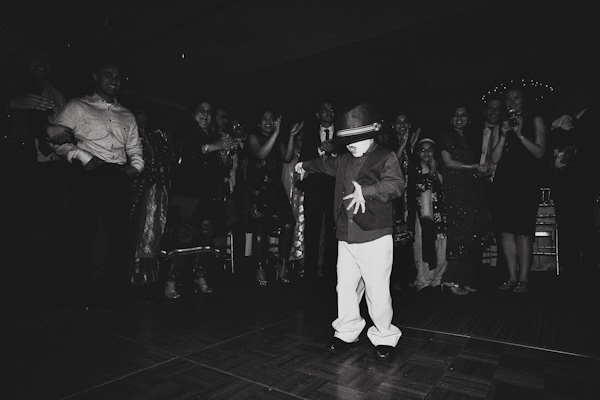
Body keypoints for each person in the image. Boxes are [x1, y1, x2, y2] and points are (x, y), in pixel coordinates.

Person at [295, 102, 404, 361]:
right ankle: (346, 331)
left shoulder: (386, 155)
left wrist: (366, 191)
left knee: (377, 290)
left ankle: (385, 335)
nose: (352, 145)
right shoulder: (343, 159)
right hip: (346, 235)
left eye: (357, 139)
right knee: (344, 286)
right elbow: (323, 165)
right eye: (348, 140)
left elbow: (397, 185)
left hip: (375, 235)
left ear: (371, 135)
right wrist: (304, 166)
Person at [47, 60, 144, 306]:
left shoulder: (127, 114)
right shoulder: (77, 105)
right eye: (108, 75)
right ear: (95, 77)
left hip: (118, 176)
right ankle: (79, 293)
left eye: (118, 77)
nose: (114, 81)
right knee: (82, 234)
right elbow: (54, 139)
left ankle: (119, 289)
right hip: (89, 174)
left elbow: (135, 149)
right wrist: (82, 156)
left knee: (120, 235)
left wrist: (133, 169)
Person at [161, 100, 233, 298]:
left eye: (209, 112)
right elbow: (184, 152)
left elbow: (223, 167)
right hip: (187, 195)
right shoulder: (184, 131)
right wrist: (215, 146)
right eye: (201, 111)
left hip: (208, 196)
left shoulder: (214, 135)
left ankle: (200, 277)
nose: (205, 115)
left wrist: (225, 152)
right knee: (183, 238)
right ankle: (171, 280)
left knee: (206, 239)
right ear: (193, 113)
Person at [491, 86, 547, 293]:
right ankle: (512, 277)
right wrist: (504, 135)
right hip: (505, 182)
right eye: (508, 99)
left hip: (526, 182)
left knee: (523, 231)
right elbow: (494, 158)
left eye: (516, 99)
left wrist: (521, 135)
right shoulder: (501, 125)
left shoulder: (535, 120)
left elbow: (540, 153)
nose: (512, 103)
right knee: (506, 231)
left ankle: (524, 278)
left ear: (524, 101)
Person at [245, 109, 303, 286]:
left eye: (272, 119)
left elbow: (287, 158)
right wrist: (277, 133)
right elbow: (261, 154)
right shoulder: (253, 137)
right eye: (265, 119)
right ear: (258, 122)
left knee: (289, 222)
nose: (269, 122)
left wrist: (291, 136)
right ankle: (260, 267)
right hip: (258, 189)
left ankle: (282, 264)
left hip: (275, 188)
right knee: (261, 225)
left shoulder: (279, 139)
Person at [438, 104, 492, 295]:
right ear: (451, 119)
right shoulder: (446, 135)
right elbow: (448, 162)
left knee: (472, 234)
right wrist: (474, 167)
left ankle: (464, 278)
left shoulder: (469, 138)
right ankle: (451, 280)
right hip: (455, 191)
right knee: (458, 234)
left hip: (471, 191)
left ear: (469, 119)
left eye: (463, 115)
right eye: (456, 115)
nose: (459, 118)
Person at [128, 103, 173, 293]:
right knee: (137, 232)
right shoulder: (129, 133)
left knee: (154, 233)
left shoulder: (157, 135)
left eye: (145, 114)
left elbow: (167, 158)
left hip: (158, 191)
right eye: (139, 113)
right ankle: (134, 276)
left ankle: (150, 277)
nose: (142, 118)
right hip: (138, 190)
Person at [298, 101, 338, 283]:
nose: (328, 113)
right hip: (314, 188)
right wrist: (320, 149)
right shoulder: (310, 134)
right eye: (324, 110)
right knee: (312, 229)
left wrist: (335, 151)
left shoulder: (341, 134)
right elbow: (304, 159)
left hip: (335, 187)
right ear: (317, 114)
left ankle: (331, 272)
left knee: (333, 229)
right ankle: (310, 273)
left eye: (331, 110)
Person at [386, 112, 421, 290]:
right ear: (393, 125)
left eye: (405, 122)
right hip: (394, 199)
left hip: (409, 197)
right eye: (398, 123)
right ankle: (394, 279)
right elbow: (392, 162)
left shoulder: (411, 144)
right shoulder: (387, 143)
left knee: (407, 238)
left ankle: (408, 276)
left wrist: (412, 148)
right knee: (394, 240)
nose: (402, 126)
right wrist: (404, 145)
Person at [407, 138, 447, 291]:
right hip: (424, 216)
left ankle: (438, 279)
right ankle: (423, 280)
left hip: (439, 215)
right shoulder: (416, 168)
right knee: (423, 246)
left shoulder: (438, 169)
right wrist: (431, 171)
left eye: (429, 149)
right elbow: (421, 186)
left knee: (441, 247)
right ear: (418, 152)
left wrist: (434, 170)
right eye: (422, 150)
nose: (426, 152)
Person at [282, 130, 306, 274]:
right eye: (297, 137)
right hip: (290, 196)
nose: (300, 140)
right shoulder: (288, 153)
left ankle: (303, 259)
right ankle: (289, 259)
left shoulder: (308, 153)